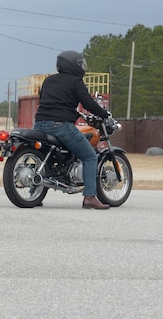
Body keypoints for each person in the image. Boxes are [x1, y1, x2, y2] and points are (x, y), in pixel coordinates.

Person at [34, 50, 111, 210]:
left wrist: (72, 112)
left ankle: (34, 192)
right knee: (90, 157)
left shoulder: (48, 80)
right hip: (60, 126)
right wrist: (104, 114)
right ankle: (90, 197)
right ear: (73, 65)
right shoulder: (75, 82)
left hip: (40, 124)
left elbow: (46, 101)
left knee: (44, 158)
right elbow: (88, 103)